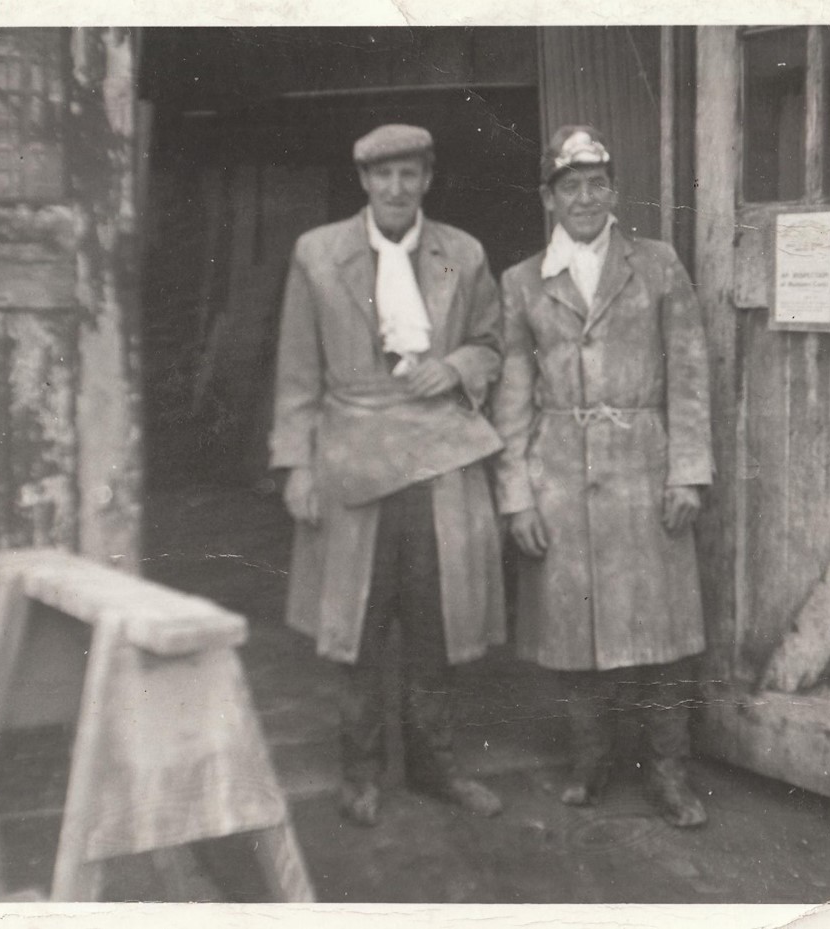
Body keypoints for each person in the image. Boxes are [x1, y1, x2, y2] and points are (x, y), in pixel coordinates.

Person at [269, 123, 507, 827]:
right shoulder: (318, 255)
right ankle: (360, 773)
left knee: (438, 624)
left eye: (409, 175)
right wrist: (295, 466)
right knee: (358, 628)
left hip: (439, 460)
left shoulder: (461, 255)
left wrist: (458, 365)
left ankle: (437, 768)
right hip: (351, 459)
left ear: (427, 179)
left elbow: (493, 344)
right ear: (363, 183)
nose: (396, 189)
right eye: (383, 176)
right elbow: (295, 371)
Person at [491, 125, 714, 827]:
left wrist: (687, 473)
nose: (583, 198)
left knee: (663, 633)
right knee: (572, 631)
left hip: (643, 469)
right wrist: (517, 493)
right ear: (548, 198)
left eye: (594, 184)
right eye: (568, 186)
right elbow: (511, 396)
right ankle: (589, 762)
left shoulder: (656, 265)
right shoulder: (522, 281)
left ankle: (669, 773)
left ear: (612, 191)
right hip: (558, 475)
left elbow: (688, 372)